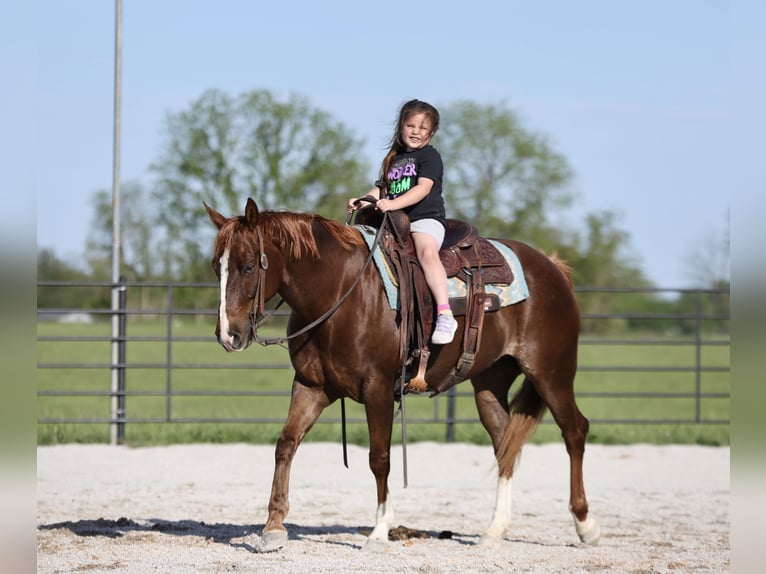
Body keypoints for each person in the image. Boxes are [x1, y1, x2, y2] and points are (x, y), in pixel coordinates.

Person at [348, 99, 458, 345]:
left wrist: (393, 204)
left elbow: (422, 189)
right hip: (394, 223)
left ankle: (444, 313)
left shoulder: (430, 157)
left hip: (424, 219)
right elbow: (383, 190)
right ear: (401, 127)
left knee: (427, 253)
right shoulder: (394, 158)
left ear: (432, 132)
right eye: (410, 125)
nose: (415, 132)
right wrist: (364, 201)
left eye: (422, 127)